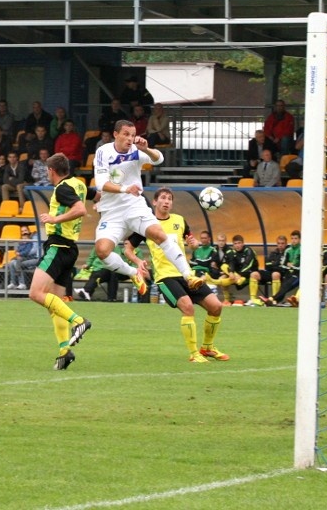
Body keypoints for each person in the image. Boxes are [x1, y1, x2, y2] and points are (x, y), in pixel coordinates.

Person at [93, 119, 204, 296]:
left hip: (134, 206)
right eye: (126, 134)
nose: (130, 139)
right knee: (102, 251)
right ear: (116, 134)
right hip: (111, 211)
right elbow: (100, 184)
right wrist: (125, 188)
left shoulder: (137, 150)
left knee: (160, 235)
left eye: (133, 135)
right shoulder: (103, 151)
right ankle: (133, 273)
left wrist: (146, 149)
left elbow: (159, 159)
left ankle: (189, 275)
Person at [125, 187, 229, 363]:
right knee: (188, 308)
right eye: (163, 198)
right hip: (165, 277)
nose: (167, 201)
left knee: (216, 306)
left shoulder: (180, 221)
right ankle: (194, 353)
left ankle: (207, 348)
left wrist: (194, 244)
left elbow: (192, 244)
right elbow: (127, 248)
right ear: (155, 202)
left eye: (170, 199)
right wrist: (137, 262)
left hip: (185, 274)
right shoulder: (146, 224)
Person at [28, 152, 91, 370]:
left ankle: (79, 322)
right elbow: (94, 196)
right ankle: (64, 351)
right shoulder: (79, 185)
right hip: (69, 248)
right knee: (55, 304)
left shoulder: (62, 188)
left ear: (51, 171)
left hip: (58, 245)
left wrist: (55, 218)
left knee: (36, 293)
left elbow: (80, 209)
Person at [209, 234, 258, 306]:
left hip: (248, 274)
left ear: (243, 243)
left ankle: (253, 300)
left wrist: (239, 274)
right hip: (236, 277)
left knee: (254, 274)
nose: (237, 245)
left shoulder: (248, 250)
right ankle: (226, 301)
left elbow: (248, 265)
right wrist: (228, 272)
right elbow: (230, 265)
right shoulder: (232, 252)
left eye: (239, 243)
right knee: (223, 272)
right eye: (235, 244)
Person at [260, 230, 302, 307]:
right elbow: (283, 264)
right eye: (292, 238)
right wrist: (289, 265)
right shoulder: (288, 250)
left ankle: (271, 299)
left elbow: (302, 264)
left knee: (286, 286)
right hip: (289, 272)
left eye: (295, 238)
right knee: (284, 287)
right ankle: (275, 301)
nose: (293, 240)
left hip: (299, 273)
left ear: (299, 239)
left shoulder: (303, 250)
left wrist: (292, 265)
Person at [249, 236, 286, 305]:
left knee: (275, 274)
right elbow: (267, 265)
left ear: (285, 244)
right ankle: (252, 299)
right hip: (270, 272)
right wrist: (276, 265)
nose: (280, 245)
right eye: (279, 243)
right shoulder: (273, 253)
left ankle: (275, 299)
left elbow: (283, 267)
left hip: (281, 274)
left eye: (282, 243)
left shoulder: (287, 253)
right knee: (254, 274)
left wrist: (274, 264)